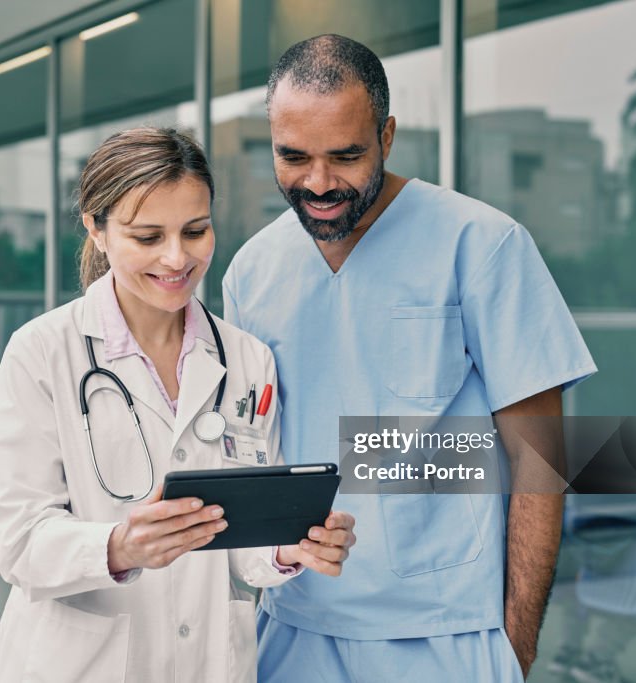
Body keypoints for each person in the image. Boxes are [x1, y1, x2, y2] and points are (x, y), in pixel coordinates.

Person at [223, 36, 597, 681]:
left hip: (448, 632)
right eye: (294, 157)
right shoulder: (251, 270)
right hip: (294, 626)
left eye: (345, 156)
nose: (318, 183)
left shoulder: (483, 245)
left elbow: (539, 460)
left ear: (387, 136)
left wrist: (515, 644)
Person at [0, 127, 355, 683]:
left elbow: (241, 549)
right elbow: (18, 543)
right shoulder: (42, 352)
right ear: (97, 229)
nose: (177, 257)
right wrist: (119, 547)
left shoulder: (248, 361)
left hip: (208, 663)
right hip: (80, 664)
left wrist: (292, 545)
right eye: (148, 236)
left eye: (195, 230)